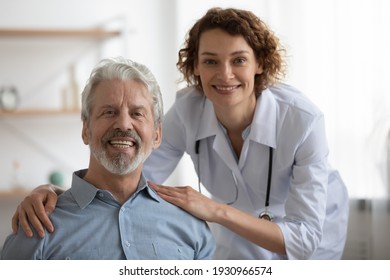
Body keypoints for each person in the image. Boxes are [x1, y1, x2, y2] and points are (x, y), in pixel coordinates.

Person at [11, 7, 348, 260]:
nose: (225, 74)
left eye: (239, 60)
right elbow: (129, 172)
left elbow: (303, 239)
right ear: (195, 67)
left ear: (260, 63)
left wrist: (213, 210)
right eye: (211, 61)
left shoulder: (302, 121)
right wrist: (58, 193)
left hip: (310, 231)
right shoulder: (188, 111)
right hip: (238, 231)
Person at [1, 57, 215, 260]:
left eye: (137, 113)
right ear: (86, 130)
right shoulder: (37, 225)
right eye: (109, 112)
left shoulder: (190, 226)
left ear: (157, 135)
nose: (123, 124)